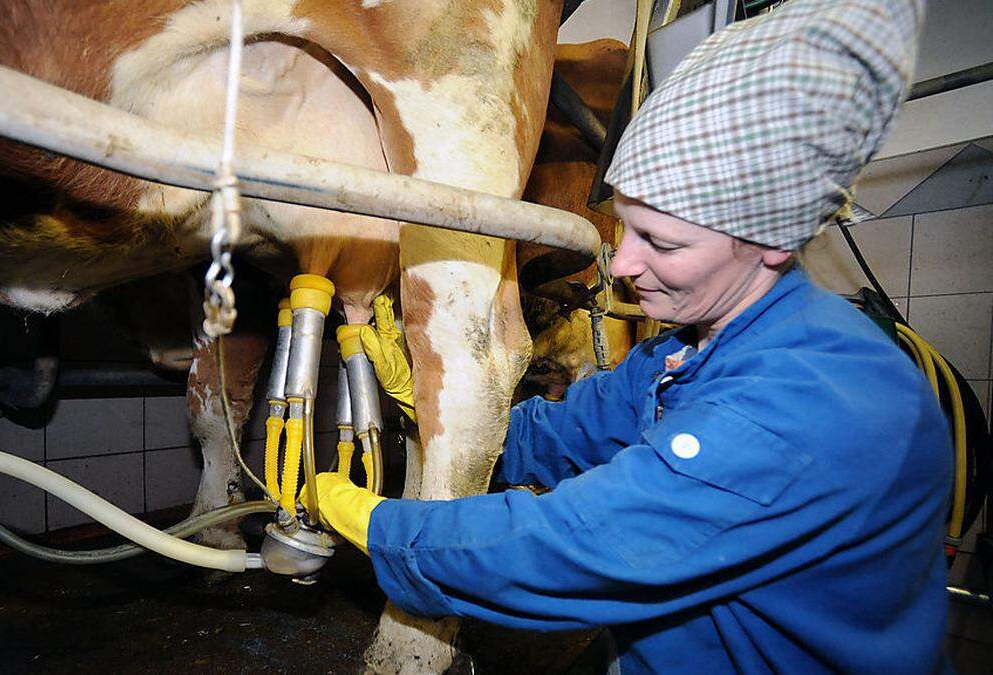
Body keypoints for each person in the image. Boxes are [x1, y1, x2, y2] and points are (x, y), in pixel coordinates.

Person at [311, 0, 954, 672]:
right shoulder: (678, 353)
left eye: (663, 242)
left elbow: (568, 549)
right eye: (625, 228)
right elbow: (547, 438)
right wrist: (429, 400)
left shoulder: (812, 404)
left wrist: (377, 525)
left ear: (769, 242)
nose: (621, 264)